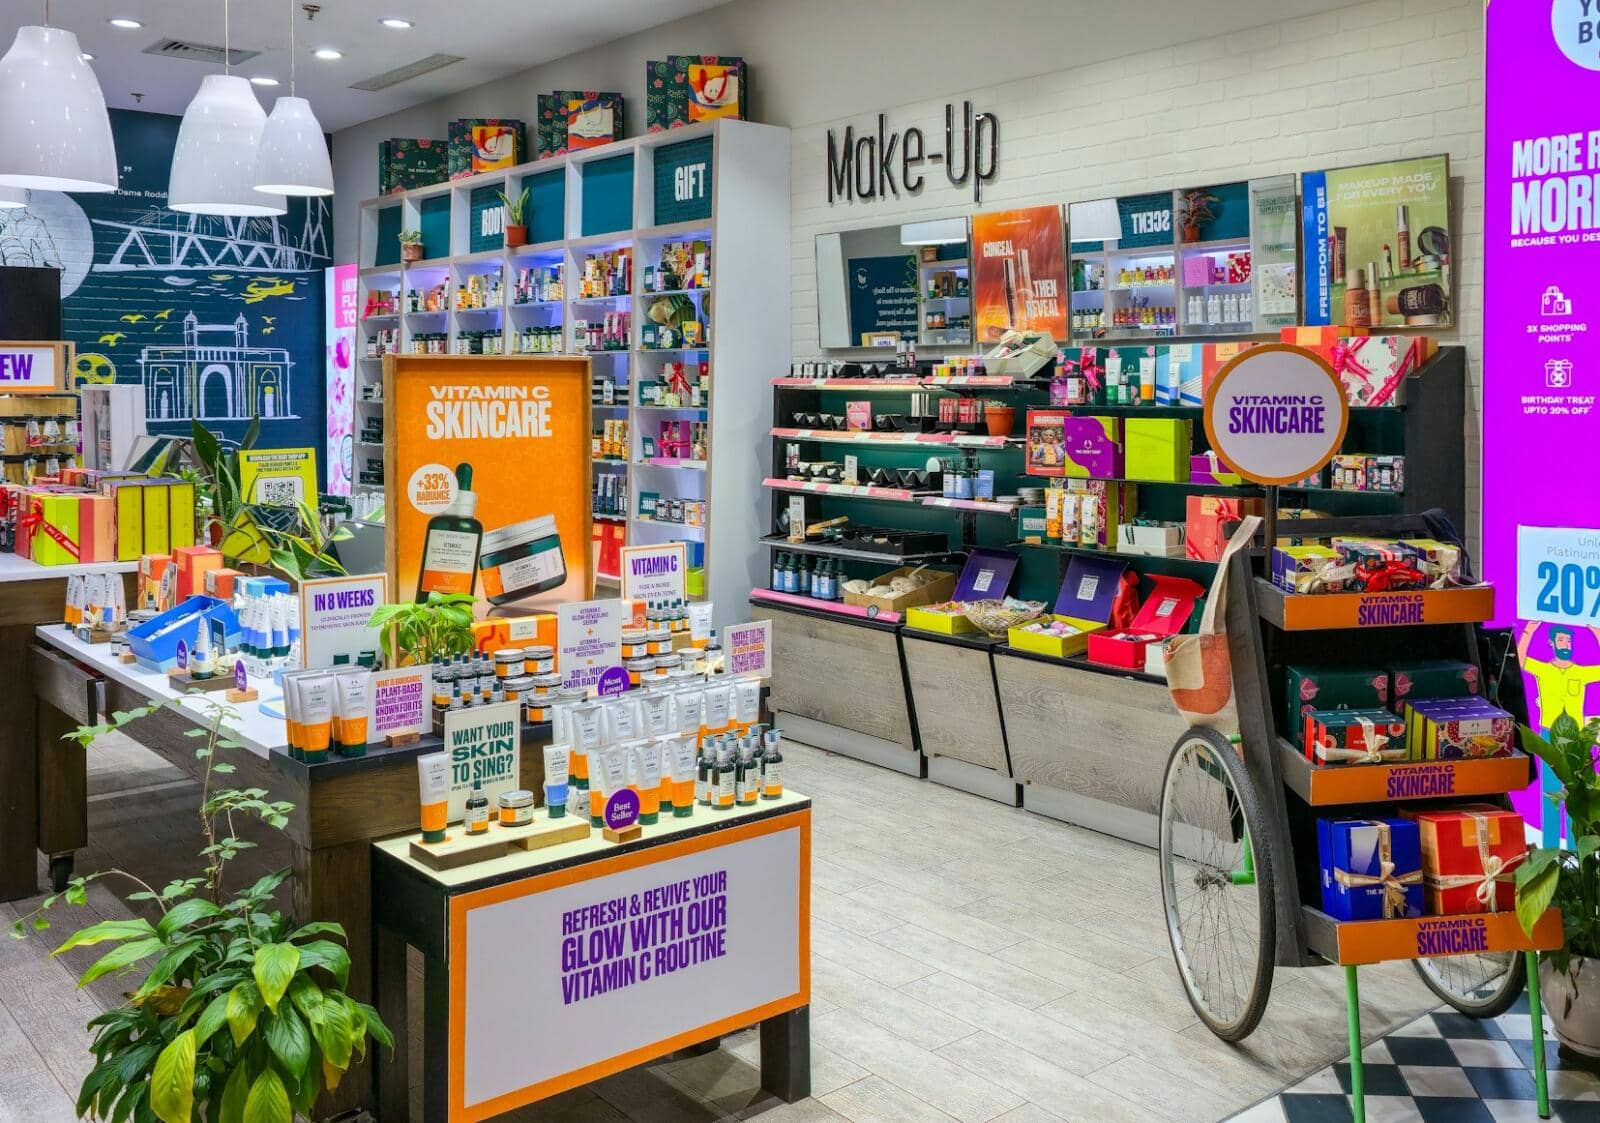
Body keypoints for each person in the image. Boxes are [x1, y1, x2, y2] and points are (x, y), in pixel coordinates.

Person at [1518, 621, 1600, 845]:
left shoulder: (1580, 672)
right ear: (1552, 643)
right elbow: (1520, 660)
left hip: (1577, 740)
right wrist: (1529, 630)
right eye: (1561, 640)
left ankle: (1577, 852)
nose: (1566, 644)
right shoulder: (1543, 669)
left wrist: (1597, 633)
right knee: (1551, 794)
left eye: (1569, 640)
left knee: (1578, 795)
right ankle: (1551, 849)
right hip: (1549, 736)